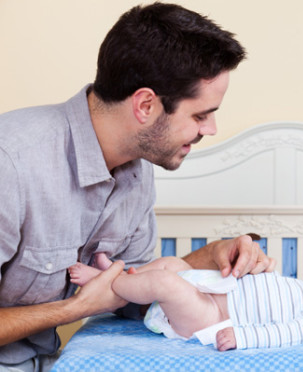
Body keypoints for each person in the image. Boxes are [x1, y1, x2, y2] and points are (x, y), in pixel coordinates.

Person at [0, 3, 275, 369]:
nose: (210, 130)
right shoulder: (12, 162)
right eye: (200, 115)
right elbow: (100, 300)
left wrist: (211, 258)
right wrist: (76, 308)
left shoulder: (136, 171)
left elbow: (137, 294)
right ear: (145, 104)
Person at [69, 253, 303, 351]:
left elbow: (286, 334)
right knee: (172, 265)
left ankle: (110, 283)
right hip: (214, 291)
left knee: (163, 283)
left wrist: (243, 338)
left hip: (210, 317)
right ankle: (123, 281)